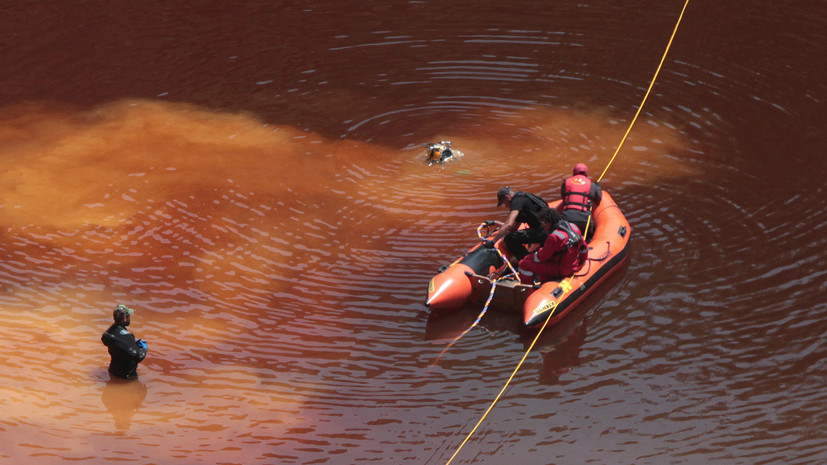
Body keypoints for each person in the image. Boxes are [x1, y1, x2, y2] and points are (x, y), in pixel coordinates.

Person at [518, 207, 587, 284]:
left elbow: (541, 257)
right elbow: (584, 248)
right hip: (573, 265)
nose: (542, 227)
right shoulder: (574, 227)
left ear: (547, 222)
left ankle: (528, 289)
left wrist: (529, 257)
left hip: (561, 269)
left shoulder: (554, 237)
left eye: (542, 223)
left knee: (523, 264)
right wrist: (582, 262)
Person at [489, 186, 549, 261]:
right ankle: (529, 258)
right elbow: (514, 227)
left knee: (510, 238)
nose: (506, 206)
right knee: (514, 235)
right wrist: (495, 223)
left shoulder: (516, 202)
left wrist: (492, 242)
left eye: (504, 203)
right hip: (546, 230)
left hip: (543, 232)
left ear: (507, 197)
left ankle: (528, 262)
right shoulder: (523, 199)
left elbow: (509, 224)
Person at [102, 304, 147, 380]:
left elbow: (119, 345)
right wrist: (144, 349)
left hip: (113, 371)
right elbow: (138, 357)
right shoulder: (127, 336)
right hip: (126, 376)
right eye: (129, 316)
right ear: (125, 318)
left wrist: (131, 344)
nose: (130, 318)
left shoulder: (108, 333)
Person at [560, 163, 602, 240]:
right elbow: (598, 199)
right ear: (587, 173)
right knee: (588, 238)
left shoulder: (565, 182)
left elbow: (563, 198)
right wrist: (598, 187)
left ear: (573, 172)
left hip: (567, 219)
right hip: (584, 221)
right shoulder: (592, 185)